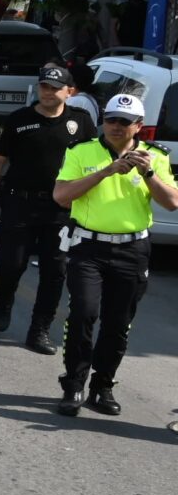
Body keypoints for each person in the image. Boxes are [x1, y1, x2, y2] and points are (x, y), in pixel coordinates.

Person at [50, 92, 178, 418]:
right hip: (88, 245)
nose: (116, 127)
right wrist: (106, 172)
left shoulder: (156, 156)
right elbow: (62, 196)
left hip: (132, 249)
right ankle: (74, 383)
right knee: (83, 313)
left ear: (138, 126)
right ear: (102, 121)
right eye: (111, 120)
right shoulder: (82, 151)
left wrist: (149, 174)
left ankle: (102, 385)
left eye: (124, 122)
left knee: (118, 322)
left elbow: (172, 202)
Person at [0, 65, 93, 352]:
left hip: (61, 209)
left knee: (54, 270)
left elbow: (94, 166)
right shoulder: (19, 120)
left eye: (55, 88)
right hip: (19, 202)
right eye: (44, 87)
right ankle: (4, 298)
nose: (48, 92)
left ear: (70, 92)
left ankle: (39, 329)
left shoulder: (81, 123)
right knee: (11, 263)